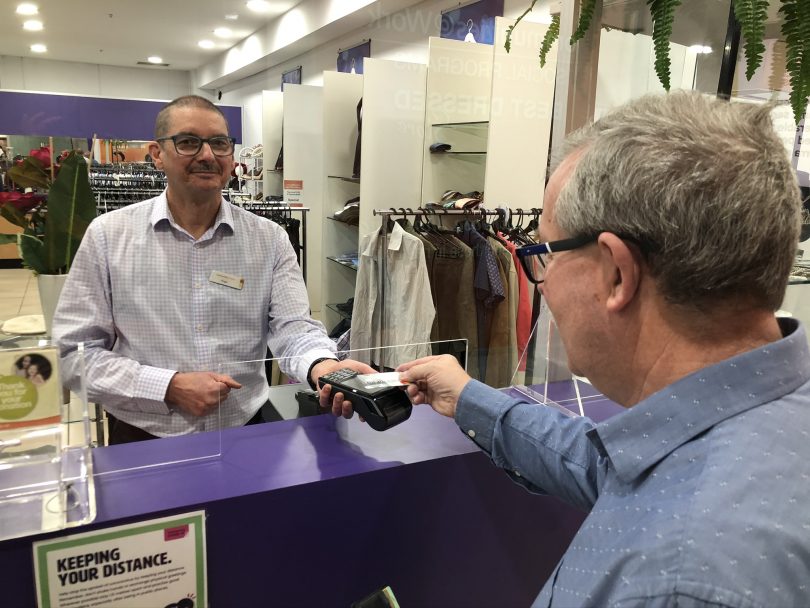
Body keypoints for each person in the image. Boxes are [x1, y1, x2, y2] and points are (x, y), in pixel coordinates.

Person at [397, 92, 810, 606]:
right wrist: (467, 396)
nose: (540, 282)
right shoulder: (753, 419)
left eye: (543, 253)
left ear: (617, 272)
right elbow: (603, 465)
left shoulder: (683, 578)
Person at [53, 95, 371, 444]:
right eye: (188, 142)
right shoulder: (108, 236)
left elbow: (292, 327)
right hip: (142, 437)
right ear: (156, 154)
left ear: (231, 156)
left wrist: (322, 366)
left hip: (244, 433)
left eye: (219, 143)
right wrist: (168, 386)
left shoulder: (269, 239)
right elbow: (74, 355)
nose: (207, 155)